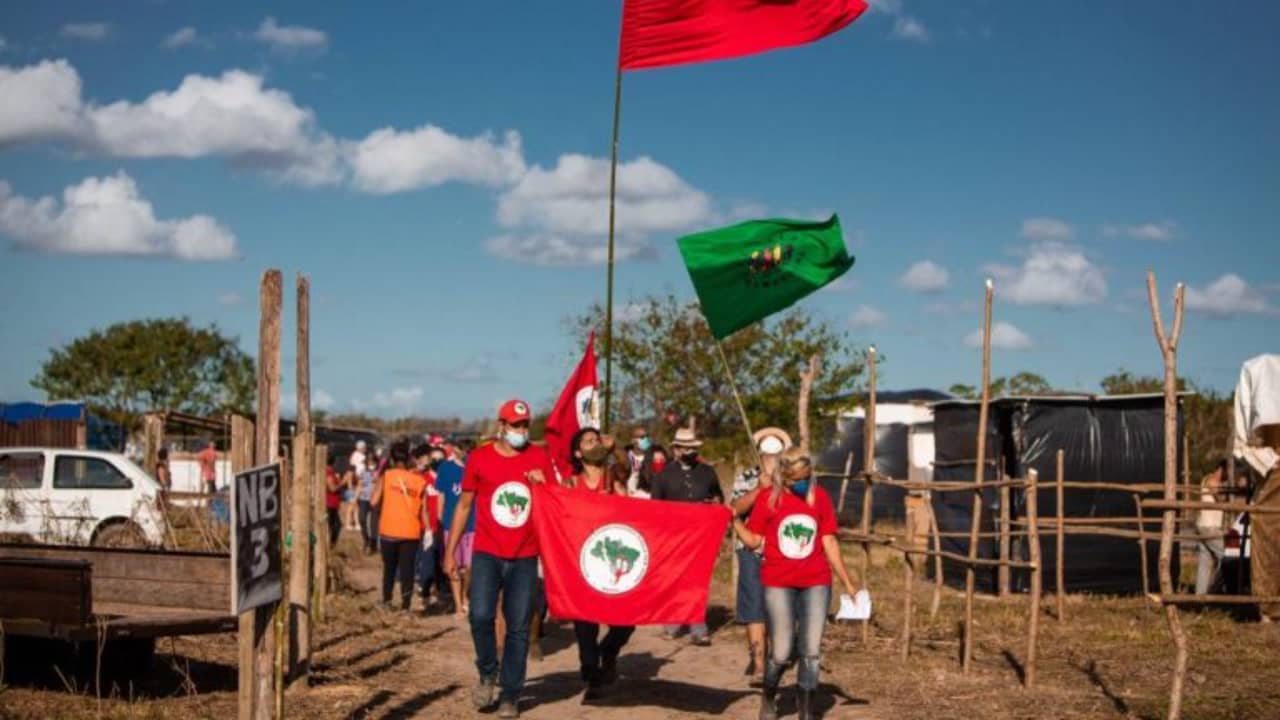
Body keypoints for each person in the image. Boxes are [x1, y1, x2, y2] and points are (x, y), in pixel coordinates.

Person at [444, 399, 554, 719]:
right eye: (516, 425)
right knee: (479, 615)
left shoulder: (539, 457)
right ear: (501, 426)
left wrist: (543, 485)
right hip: (487, 553)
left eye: (525, 425)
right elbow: (464, 506)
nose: (522, 430)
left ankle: (510, 693)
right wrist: (450, 552)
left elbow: (556, 502)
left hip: (525, 555)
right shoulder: (479, 458)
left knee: (518, 626)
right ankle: (487, 672)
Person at [734, 446, 861, 720]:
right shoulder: (769, 499)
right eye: (796, 479)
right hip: (778, 582)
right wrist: (734, 520)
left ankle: (806, 711)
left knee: (811, 650)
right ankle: (769, 695)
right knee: (781, 651)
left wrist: (848, 582)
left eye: (807, 476)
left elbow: (829, 540)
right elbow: (754, 541)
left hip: (816, 580)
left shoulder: (820, 498)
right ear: (785, 478)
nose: (802, 483)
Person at [564, 427, 635, 700]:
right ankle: (591, 673)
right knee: (585, 624)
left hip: (613, 560)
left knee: (626, 618)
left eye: (598, 439)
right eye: (589, 440)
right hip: (582, 561)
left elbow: (626, 469)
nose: (595, 443)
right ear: (578, 452)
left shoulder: (612, 479)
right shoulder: (570, 485)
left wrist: (615, 447)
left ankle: (610, 649)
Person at [730, 427, 793, 685]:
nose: (771, 458)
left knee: (780, 607)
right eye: (767, 454)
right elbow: (734, 509)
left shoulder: (794, 477)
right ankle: (758, 664)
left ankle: (777, 655)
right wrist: (758, 490)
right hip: (751, 550)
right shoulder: (746, 477)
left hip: (784, 551)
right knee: (754, 606)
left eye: (775, 453)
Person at [651, 427, 723, 645]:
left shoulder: (707, 472)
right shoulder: (663, 475)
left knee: (697, 579)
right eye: (685, 447)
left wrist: (714, 504)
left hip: (702, 534)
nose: (689, 451)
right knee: (674, 579)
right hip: (673, 536)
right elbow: (655, 508)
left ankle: (698, 627)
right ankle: (672, 623)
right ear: (676, 449)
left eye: (692, 447)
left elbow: (719, 496)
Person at [371, 440, 430, 612]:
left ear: (391, 458)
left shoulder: (387, 476)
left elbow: (373, 501)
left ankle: (387, 601)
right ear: (409, 458)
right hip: (411, 532)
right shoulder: (419, 481)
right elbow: (424, 510)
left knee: (389, 568)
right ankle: (406, 606)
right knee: (407, 570)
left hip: (388, 530)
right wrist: (428, 532)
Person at [437, 439, 475, 619]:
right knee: (452, 565)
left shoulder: (475, 466)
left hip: (473, 524)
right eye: (463, 450)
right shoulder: (446, 468)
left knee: (469, 566)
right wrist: (440, 520)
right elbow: (441, 496)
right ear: (456, 449)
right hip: (450, 524)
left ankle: (466, 595)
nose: (465, 454)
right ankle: (458, 605)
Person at [412, 443, 445, 612]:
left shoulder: (446, 479)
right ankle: (424, 593)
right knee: (427, 562)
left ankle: (438, 593)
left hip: (443, 527)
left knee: (441, 564)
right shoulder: (422, 479)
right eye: (434, 459)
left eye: (441, 459)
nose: (437, 461)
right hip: (426, 527)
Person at [1195, 460, 1228, 595]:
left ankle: (1199, 598)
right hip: (1209, 527)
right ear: (1222, 469)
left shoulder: (1212, 481)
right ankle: (1215, 590)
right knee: (1227, 559)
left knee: (1205, 562)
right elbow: (1220, 497)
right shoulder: (1211, 480)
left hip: (1205, 526)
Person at [356, 452, 378, 554]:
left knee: (374, 523)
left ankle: (373, 544)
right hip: (363, 498)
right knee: (362, 519)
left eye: (372, 462)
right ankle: (366, 539)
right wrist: (355, 498)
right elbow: (360, 485)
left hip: (375, 499)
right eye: (369, 462)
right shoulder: (363, 473)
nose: (370, 464)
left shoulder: (379, 473)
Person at [625, 426, 654, 497]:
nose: (645, 439)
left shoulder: (653, 456)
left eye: (647, 436)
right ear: (632, 440)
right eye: (642, 437)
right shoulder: (627, 456)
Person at [324, 455, 343, 546]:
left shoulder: (329, 472)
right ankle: (331, 544)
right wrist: (343, 482)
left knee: (333, 525)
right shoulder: (329, 472)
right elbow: (332, 488)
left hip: (332, 503)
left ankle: (331, 544)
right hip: (330, 503)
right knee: (335, 525)